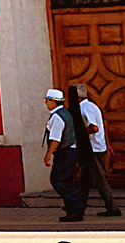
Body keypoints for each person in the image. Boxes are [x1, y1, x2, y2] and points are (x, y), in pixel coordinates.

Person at [74, 84, 121, 217]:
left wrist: (77, 133)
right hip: (90, 148)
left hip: (92, 148)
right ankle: (77, 207)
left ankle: (112, 207)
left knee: (99, 178)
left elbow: (94, 128)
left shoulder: (86, 108)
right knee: (83, 179)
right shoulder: (88, 107)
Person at [43, 88, 85, 222]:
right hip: (71, 151)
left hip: (64, 152)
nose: (45, 102)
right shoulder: (66, 113)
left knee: (57, 180)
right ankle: (72, 212)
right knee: (66, 181)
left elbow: (56, 139)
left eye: (47, 100)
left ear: (53, 101)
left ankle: (76, 206)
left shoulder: (57, 116)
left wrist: (48, 155)